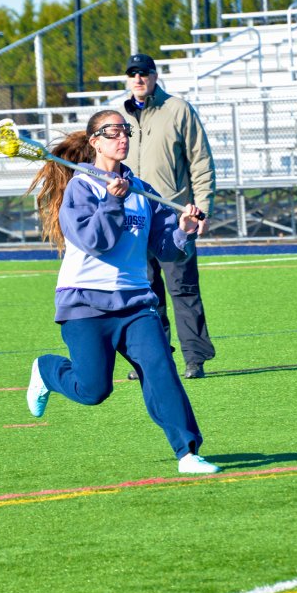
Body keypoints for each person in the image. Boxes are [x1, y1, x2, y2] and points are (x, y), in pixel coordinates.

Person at [25, 109, 220, 475]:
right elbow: (96, 242)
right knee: (93, 390)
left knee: (161, 370)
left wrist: (184, 229)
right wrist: (112, 202)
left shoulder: (143, 190)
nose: (122, 138)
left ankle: (188, 453)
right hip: (85, 303)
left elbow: (166, 249)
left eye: (125, 131)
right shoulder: (81, 188)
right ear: (94, 141)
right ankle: (47, 370)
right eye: (112, 132)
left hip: (135, 303)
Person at [117, 52, 216, 380]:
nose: (138, 79)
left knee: (184, 288)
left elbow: (200, 161)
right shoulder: (117, 116)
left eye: (144, 72)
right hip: (133, 219)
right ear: (127, 79)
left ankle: (195, 359)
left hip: (174, 218)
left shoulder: (178, 110)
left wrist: (201, 208)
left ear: (155, 76)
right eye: (133, 73)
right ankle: (152, 359)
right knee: (144, 294)